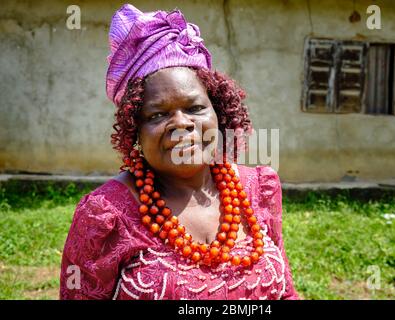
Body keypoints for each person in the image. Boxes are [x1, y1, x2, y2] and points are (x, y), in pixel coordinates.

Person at [60, 4, 299, 300]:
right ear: (135, 129)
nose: (182, 124)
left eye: (195, 108)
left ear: (219, 112)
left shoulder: (260, 188)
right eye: (157, 115)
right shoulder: (106, 214)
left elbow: (286, 292)